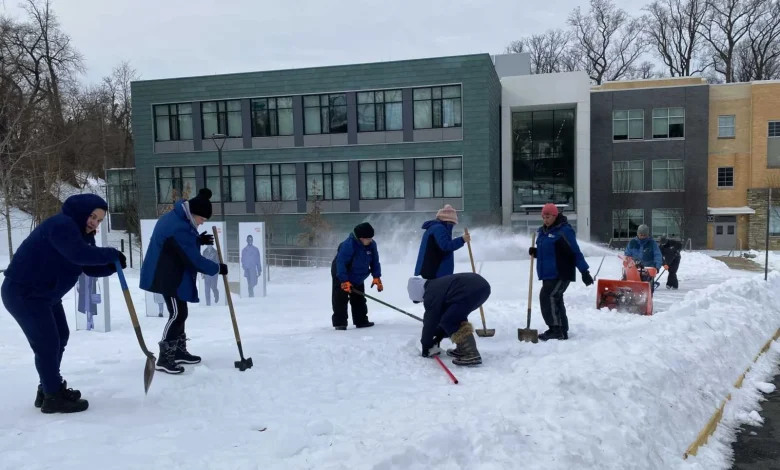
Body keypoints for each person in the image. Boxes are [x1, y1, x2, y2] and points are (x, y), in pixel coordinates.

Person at [1, 194, 126, 413]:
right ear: (81, 211)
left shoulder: (83, 235)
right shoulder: (61, 225)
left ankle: (49, 387)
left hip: (45, 295)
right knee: (48, 343)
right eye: (93, 216)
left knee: (60, 336)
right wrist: (110, 253)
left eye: (99, 220)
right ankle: (53, 396)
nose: (95, 223)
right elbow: (78, 255)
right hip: (24, 293)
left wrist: (114, 265)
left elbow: (87, 266)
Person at [140, 188, 227, 374]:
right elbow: (193, 259)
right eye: (202, 219)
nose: (202, 223)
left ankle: (178, 351)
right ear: (194, 213)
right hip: (166, 275)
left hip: (172, 271)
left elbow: (180, 245)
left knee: (181, 312)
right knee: (177, 314)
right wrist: (218, 268)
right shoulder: (178, 226)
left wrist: (198, 239)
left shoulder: (178, 217)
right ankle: (165, 357)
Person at [528, 203, 593, 341]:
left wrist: (584, 271)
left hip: (561, 272)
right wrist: (537, 252)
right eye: (544, 217)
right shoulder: (543, 232)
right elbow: (550, 252)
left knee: (547, 296)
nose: (546, 219)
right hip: (548, 273)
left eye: (548, 216)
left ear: (555, 215)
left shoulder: (564, 231)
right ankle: (562, 329)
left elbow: (574, 251)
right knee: (555, 298)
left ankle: (555, 330)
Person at [408, 273, 491, 367]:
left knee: (451, 320)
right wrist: (438, 337)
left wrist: (426, 346)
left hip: (470, 289)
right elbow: (440, 319)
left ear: (417, 293)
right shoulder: (435, 286)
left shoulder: (431, 293)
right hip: (481, 287)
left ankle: (471, 354)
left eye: (419, 300)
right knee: (454, 317)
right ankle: (463, 349)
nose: (422, 301)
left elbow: (430, 322)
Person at [331, 222, 382, 330]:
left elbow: (375, 261)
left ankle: (361, 321)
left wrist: (376, 277)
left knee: (359, 298)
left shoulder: (372, 245)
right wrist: (344, 281)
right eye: (368, 238)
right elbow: (341, 263)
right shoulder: (348, 245)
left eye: (371, 238)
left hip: (358, 274)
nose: (370, 240)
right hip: (341, 273)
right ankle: (340, 323)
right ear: (360, 238)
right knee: (340, 298)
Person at [414, 204, 470, 280]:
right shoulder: (439, 228)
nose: (453, 226)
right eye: (452, 223)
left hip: (434, 270)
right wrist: (462, 240)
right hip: (434, 271)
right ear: (448, 221)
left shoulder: (437, 227)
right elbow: (445, 246)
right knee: (436, 291)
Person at [624, 224, 663, 293]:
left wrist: (657, 267)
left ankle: (647, 300)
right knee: (630, 286)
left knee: (648, 289)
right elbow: (627, 255)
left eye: (645, 235)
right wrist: (627, 263)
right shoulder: (632, 243)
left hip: (648, 270)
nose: (643, 237)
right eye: (641, 235)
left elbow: (658, 255)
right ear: (638, 234)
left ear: (647, 235)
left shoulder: (652, 243)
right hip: (634, 268)